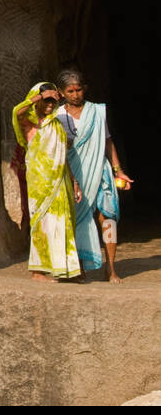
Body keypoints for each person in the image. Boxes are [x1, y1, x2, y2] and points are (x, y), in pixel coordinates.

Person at [56, 68, 132, 283]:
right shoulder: (57, 116)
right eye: (70, 91)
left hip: (100, 171)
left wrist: (119, 170)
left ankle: (111, 268)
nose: (75, 94)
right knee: (76, 221)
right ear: (62, 93)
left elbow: (107, 141)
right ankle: (79, 267)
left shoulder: (97, 112)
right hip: (73, 174)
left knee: (107, 218)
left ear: (84, 89)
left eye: (78, 89)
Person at [13, 82, 81, 282]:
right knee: (42, 226)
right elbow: (17, 111)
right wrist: (39, 97)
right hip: (40, 186)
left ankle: (65, 270)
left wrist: (73, 180)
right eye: (47, 101)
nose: (50, 105)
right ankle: (38, 271)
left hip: (60, 183)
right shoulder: (30, 124)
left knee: (63, 224)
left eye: (53, 101)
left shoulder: (57, 125)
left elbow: (63, 157)